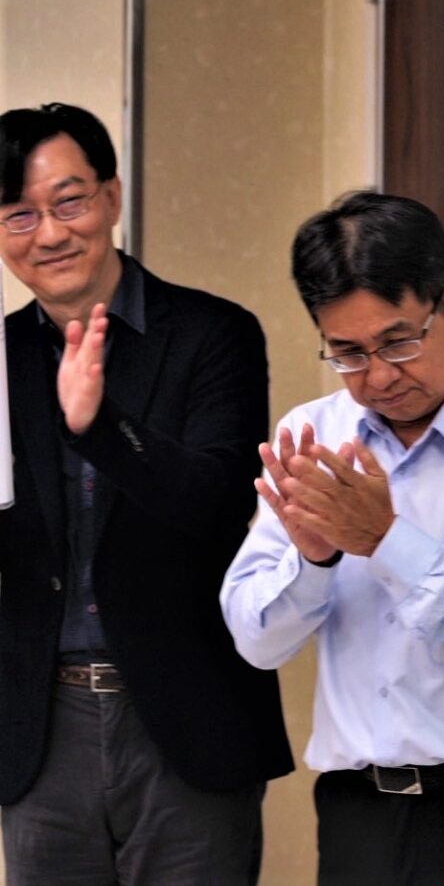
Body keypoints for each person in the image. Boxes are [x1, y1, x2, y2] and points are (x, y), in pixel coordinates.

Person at [0, 103, 293, 884]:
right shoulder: (1, 358)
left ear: (112, 197)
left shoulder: (213, 333)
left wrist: (98, 428)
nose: (49, 233)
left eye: (69, 202)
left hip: (186, 718)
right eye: (19, 214)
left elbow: (217, 502)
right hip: (40, 730)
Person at [221, 191, 444, 885]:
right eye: (348, 353)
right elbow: (256, 641)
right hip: (357, 812)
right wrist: (314, 559)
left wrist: (386, 542)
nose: (379, 375)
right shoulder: (315, 433)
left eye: (399, 341)